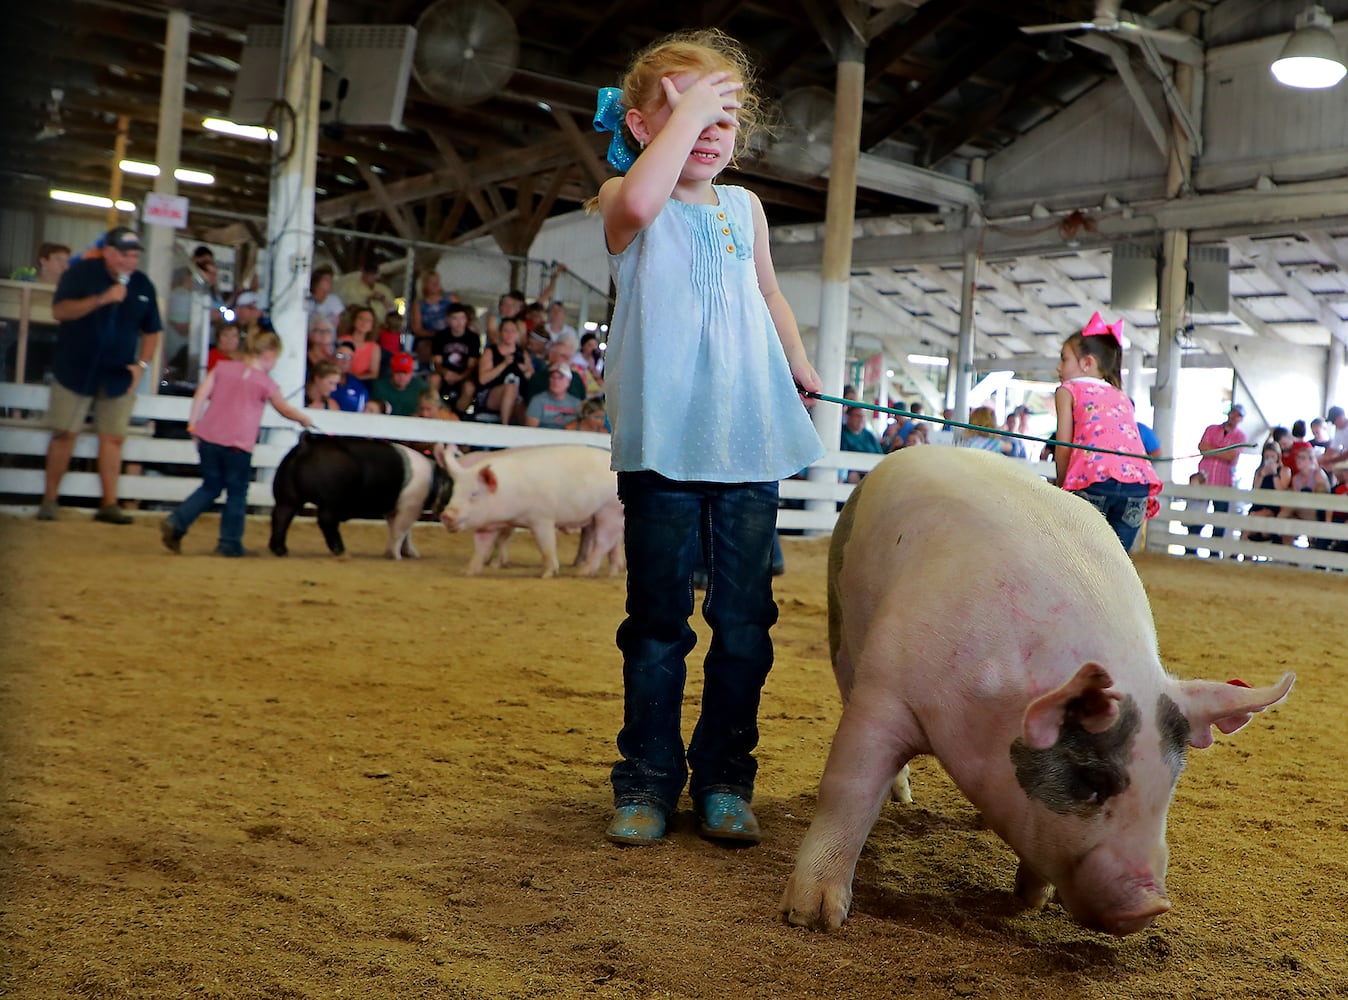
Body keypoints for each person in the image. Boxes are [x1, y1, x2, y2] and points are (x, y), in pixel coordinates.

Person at [591, 29, 823, 847]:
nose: (710, 128)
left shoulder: (746, 208)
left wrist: (797, 363)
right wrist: (685, 115)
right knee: (656, 625)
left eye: (723, 114)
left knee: (744, 624)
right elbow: (645, 203)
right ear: (645, 126)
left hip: (748, 441)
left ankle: (726, 777)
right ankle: (646, 782)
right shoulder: (626, 199)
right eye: (689, 111)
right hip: (663, 446)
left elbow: (769, 294)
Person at [38, 227, 162, 524]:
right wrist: (102, 299)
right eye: (123, 254)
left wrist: (141, 365)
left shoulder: (143, 284)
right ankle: (50, 499)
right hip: (75, 368)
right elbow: (60, 311)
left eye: (134, 255)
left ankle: (109, 503)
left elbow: (153, 331)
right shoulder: (81, 274)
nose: (129, 261)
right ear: (107, 251)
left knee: (113, 437)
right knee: (64, 433)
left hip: (119, 373)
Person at [160, 330, 314, 557]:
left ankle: (178, 521)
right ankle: (229, 543)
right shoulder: (266, 383)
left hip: (208, 438)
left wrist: (193, 425)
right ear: (269, 354)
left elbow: (201, 394)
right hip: (237, 444)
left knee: (210, 487)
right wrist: (303, 418)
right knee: (237, 492)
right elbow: (283, 408)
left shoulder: (223, 368)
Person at [1054, 312, 1161, 550]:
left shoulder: (1068, 390)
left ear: (1087, 363)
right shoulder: (1120, 395)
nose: (1059, 367)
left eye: (1064, 359)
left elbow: (1064, 447)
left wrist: (1061, 488)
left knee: (1079, 557)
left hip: (1094, 480)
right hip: (1137, 487)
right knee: (1116, 567)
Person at [1197, 403, 1248, 549]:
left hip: (1223, 480)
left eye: (1238, 415)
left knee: (1219, 518)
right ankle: (1191, 549)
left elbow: (1232, 456)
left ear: (1241, 419)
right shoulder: (1212, 429)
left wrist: (1212, 450)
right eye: (1233, 413)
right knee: (1197, 514)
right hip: (1205, 478)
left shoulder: (1241, 436)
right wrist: (1223, 453)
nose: (1234, 416)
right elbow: (1202, 448)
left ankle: (1214, 551)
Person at [475, 315, 532, 423]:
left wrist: (526, 371)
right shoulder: (490, 352)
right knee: (510, 387)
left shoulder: (523, 354)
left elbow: (531, 378)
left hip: (517, 399)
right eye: (506, 331)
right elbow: (483, 379)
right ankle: (504, 426)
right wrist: (503, 364)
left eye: (513, 331)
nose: (510, 334)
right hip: (491, 396)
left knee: (525, 409)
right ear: (500, 333)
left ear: (517, 334)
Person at [1277, 441, 1332, 546]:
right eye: (1297, 457)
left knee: (1290, 507)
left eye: (1302, 458)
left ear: (1311, 460)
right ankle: (1290, 559)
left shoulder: (1318, 474)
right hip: (1299, 511)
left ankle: (1275, 525)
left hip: (1316, 512)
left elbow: (1323, 499)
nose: (1298, 460)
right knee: (1288, 523)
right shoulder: (1296, 478)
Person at [432, 302, 480, 417]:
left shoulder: (473, 338)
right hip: (444, 373)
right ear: (448, 320)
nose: (459, 322)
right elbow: (437, 363)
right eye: (455, 318)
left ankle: (457, 415)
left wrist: (460, 376)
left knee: (469, 387)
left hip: (464, 375)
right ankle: (435, 410)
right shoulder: (440, 336)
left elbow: (472, 365)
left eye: (462, 318)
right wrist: (446, 373)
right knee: (433, 379)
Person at [1244, 440, 1289, 543]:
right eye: (1267, 456)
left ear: (1278, 456)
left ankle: (1237, 550)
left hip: (1274, 507)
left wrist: (1274, 474)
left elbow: (1281, 491)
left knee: (1253, 518)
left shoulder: (1284, 470)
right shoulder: (1259, 471)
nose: (1269, 459)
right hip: (1259, 505)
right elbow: (1255, 491)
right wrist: (1262, 475)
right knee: (1251, 519)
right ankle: (1245, 553)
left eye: (1272, 456)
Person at [525, 363, 583, 428]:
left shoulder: (577, 403)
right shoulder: (537, 400)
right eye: (553, 377)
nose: (556, 381)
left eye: (560, 378)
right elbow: (531, 429)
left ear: (568, 382)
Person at [371, 351, 427, 416]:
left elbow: (438, 408)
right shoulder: (380, 387)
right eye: (398, 372)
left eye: (405, 373)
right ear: (392, 372)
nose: (401, 376)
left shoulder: (421, 387)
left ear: (411, 373)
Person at [839, 405, 884, 483]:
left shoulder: (869, 435)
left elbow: (880, 455)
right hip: (853, 471)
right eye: (857, 416)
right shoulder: (841, 434)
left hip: (872, 470)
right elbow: (843, 458)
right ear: (848, 417)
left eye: (863, 416)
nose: (861, 419)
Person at [341, 305, 381, 383]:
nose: (364, 322)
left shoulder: (374, 347)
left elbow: (374, 374)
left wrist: (352, 380)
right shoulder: (342, 341)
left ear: (372, 326)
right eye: (361, 318)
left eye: (368, 320)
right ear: (354, 321)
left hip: (361, 383)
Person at [330, 339, 370, 413]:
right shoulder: (322, 381)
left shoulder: (359, 387)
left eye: (349, 357)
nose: (345, 361)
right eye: (340, 356)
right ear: (332, 358)